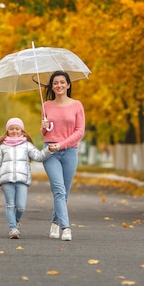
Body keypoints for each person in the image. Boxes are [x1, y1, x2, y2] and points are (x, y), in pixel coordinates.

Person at [41, 70, 85, 241]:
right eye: (55, 83)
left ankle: (55, 223)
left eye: (62, 82)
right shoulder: (46, 105)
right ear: (52, 87)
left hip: (70, 152)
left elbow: (79, 131)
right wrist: (44, 126)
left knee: (64, 192)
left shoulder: (76, 105)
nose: (58, 85)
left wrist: (62, 144)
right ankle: (66, 228)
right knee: (58, 189)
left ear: (68, 84)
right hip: (50, 152)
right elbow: (45, 132)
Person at [0, 117, 53, 239]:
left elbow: (39, 156)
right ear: (7, 131)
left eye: (17, 128)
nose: (14, 131)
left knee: (21, 207)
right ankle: (13, 229)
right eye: (11, 129)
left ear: (22, 130)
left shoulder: (27, 145)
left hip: (22, 180)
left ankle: (16, 221)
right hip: (6, 180)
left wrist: (49, 150)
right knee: (10, 205)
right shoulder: (3, 147)